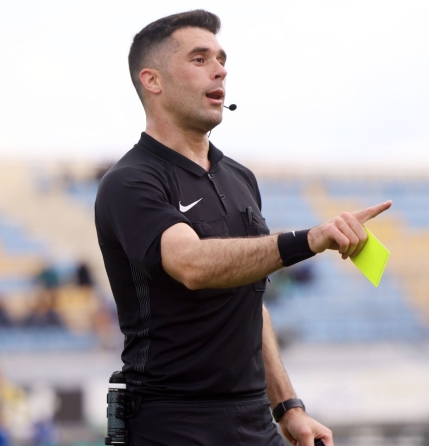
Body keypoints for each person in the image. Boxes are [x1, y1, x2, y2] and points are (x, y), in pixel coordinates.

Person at [95, 10, 391, 446]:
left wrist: (288, 407)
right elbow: (192, 264)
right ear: (152, 81)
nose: (220, 70)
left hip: (254, 420)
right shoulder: (131, 181)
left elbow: (251, 306)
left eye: (221, 59)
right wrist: (309, 240)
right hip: (171, 424)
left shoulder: (240, 178)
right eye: (200, 59)